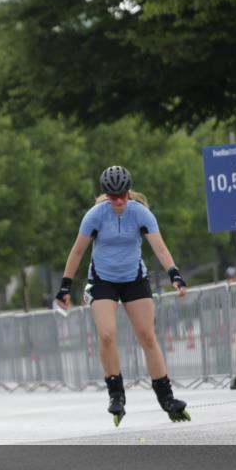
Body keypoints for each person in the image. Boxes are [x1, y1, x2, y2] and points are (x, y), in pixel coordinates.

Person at [55, 165, 191, 426]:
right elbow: (77, 252)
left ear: (129, 193)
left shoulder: (142, 214)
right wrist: (65, 286)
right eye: (112, 196)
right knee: (106, 334)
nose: (118, 201)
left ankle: (167, 397)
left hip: (134, 279)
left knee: (147, 336)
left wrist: (175, 274)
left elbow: (160, 248)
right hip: (102, 281)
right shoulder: (95, 216)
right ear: (106, 195)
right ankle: (116, 393)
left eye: (122, 196)